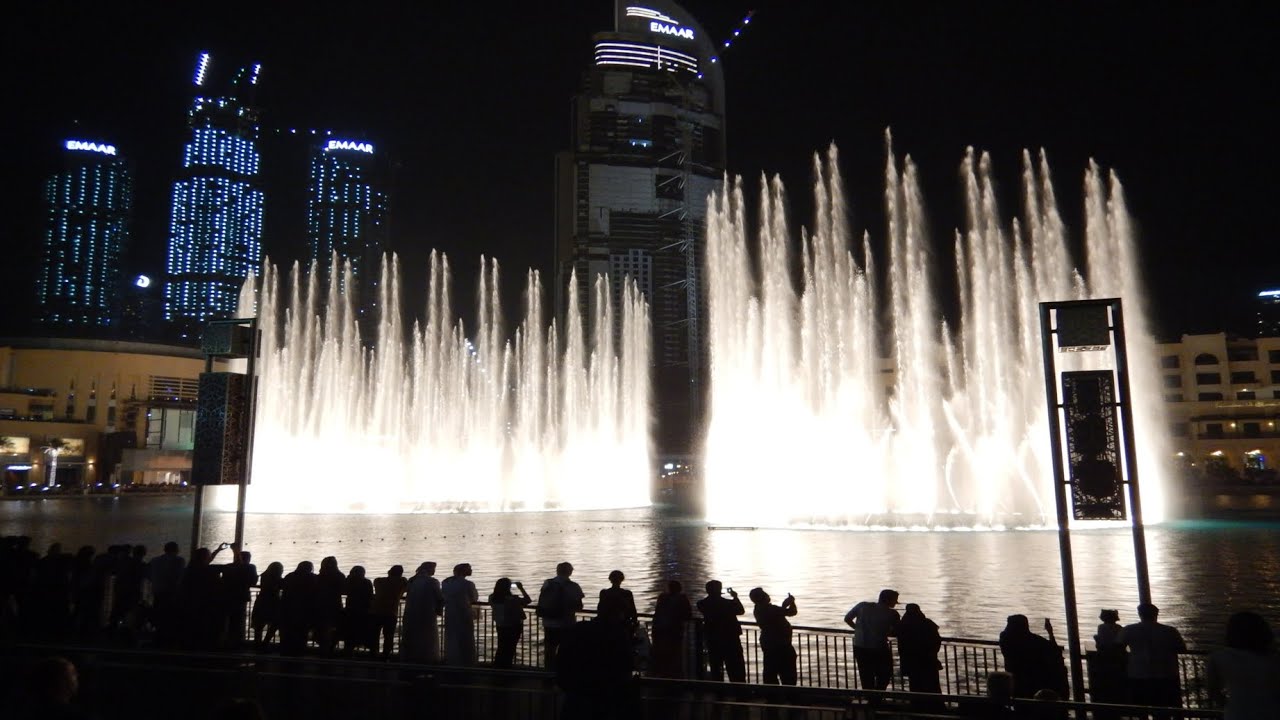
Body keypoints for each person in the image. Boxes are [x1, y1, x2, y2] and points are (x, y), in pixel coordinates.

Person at [1207, 611, 1280, 720]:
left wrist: (1229, 705)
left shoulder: (1218, 657)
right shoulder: (1274, 659)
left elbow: (1213, 691)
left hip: (1236, 713)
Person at [1118, 603, 1187, 709]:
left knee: (1140, 707)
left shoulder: (1129, 629)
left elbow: (1117, 647)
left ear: (1140, 614)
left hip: (1138, 672)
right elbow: (1181, 648)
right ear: (1156, 614)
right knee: (1163, 708)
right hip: (1165, 673)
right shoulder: (1169, 630)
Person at [844, 588, 901, 692]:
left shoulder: (862, 606)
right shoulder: (892, 614)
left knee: (866, 675)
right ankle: (877, 697)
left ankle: (870, 699)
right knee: (884, 674)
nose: (896, 603)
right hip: (879, 647)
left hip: (860, 646)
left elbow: (847, 618)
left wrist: (858, 630)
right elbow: (897, 631)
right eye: (895, 600)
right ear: (889, 600)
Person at [999, 614, 1066, 699]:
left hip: (1016, 681)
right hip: (1035, 681)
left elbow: (1004, 634)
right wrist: (1050, 632)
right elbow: (1054, 650)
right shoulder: (1036, 641)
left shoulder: (1006, 639)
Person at [537, 561, 584, 669]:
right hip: (566, 623)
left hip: (548, 622)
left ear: (557, 571)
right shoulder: (573, 586)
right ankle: (563, 673)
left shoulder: (547, 583)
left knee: (549, 650)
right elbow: (579, 606)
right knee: (566, 650)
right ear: (570, 572)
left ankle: (548, 673)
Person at [697, 580, 747, 682]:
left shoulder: (702, 604)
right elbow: (741, 611)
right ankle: (740, 690)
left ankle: (719, 690)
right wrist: (735, 597)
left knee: (716, 666)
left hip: (713, 638)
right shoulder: (728, 603)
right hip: (731, 638)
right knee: (735, 666)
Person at [896, 602, 943, 708]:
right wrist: (932, 653)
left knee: (915, 685)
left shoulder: (903, 625)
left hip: (911, 661)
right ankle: (936, 707)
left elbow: (894, 633)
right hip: (928, 660)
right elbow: (937, 640)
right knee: (932, 684)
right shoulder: (928, 623)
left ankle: (917, 706)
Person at [750, 587, 798, 685]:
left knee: (771, 670)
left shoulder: (758, 609)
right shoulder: (769, 609)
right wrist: (789, 603)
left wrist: (785, 605)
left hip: (770, 644)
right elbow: (792, 612)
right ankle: (789, 695)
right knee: (787, 672)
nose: (767, 595)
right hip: (781, 645)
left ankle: (773, 694)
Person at [402, 561, 443, 662]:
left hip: (411, 613)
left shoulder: (412, 581)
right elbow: (440, 597)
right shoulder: (433, 582)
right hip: (427, 614)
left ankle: (410, 658)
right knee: (427, 638)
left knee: (412, 636)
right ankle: (428, 659)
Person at [650, 580, 692, 678]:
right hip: (675, 631)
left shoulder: (662, 597)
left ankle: (662, 674)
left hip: (661, 630)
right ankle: (676, 676)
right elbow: (688, 615)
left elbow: (657, 613)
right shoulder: (682, 598)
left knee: (663, 654)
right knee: (675, 654)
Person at [441, 562, 479, 665]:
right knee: (465, 636)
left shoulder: (445, 582)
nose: (471, 570)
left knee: (452, 636)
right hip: (464, 613)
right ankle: (466, 660)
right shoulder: (468, 584)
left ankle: (452, 659)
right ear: (464, 571)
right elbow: (474, 598)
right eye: (469, 568)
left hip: (450, 612)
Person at [148, 541, 185, 646]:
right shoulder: (179, 561)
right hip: (171, 593)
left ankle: (157, 638)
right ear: (176, 550)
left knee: (159, 616)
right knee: (170, 617)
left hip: (158, 591)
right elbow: (179, 577)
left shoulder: (154, 561)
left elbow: (149, 575)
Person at [489, 577, 531, 668]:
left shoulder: (492, 597)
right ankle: (507, 668)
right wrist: (521, 588)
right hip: (513, 625)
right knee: (510, 648)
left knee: (501, 647)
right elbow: (528, 600)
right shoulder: (512, 599)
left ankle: (498, 667)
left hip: (500, 625)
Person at [1090, 608, 1128, 709]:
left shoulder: (1101, 627)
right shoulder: (1119, 627)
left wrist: (1096, 638)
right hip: (1118, 658)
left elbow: (1102, 642)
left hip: (1104, 657)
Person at [279, 560, 318, 656]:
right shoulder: (312, 578)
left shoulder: (290, 576)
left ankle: (285, 653)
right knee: (301, 633)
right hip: (305, 610)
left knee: (288, 633)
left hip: (288, 609)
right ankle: (299, 654)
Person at [370, 565, 407, 659]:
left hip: (375, 612)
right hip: (391, 613)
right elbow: (407, 584)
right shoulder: (401, 582)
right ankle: (385, 657)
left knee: (374, 635)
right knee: (389, 636)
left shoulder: (378, 581)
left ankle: (374, 655)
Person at [314, 556, 346, 654]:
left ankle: (323, 648)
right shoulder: (339, 576)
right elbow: (343, 589)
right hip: (334, 605)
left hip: (319, 606)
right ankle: (330, 648)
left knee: (321, 628)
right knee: (334, 628)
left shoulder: (319, 577)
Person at [251, 561, 285, 650]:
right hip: (273, 603)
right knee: (275, 623)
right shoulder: (277, 579)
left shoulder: (264, 576)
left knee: (259, 625)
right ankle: (265, 643)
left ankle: (257, 645)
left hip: (261, 602)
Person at [343, 565, 374, 655]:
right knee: (363, 632)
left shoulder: (349, 582)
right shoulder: (367, 582)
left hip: (350, 610)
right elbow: (370, 595)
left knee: (349, 634)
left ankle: (348, 653)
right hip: (364, 610)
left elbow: (344, 590)